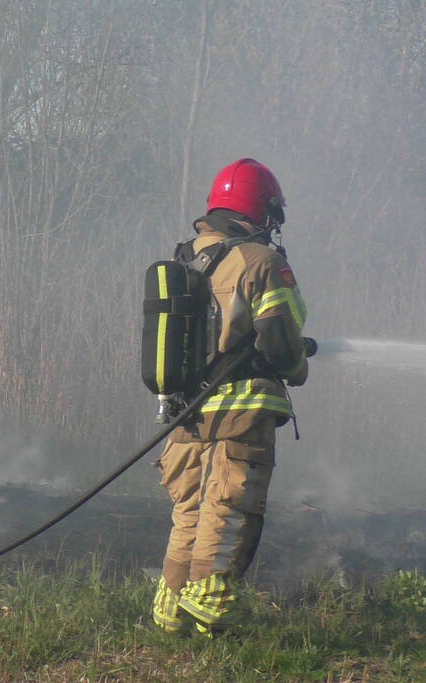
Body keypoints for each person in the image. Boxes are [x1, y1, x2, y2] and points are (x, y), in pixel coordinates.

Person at [151, 158, 309, 636]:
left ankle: (172, 607)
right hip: (242, 410)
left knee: (191, 509)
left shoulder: (186, 258)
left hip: (186, 411)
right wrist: (299, 366)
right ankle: (211, 609)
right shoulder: (261, 263)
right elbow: (280, 345)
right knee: (230, 507)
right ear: (260, 209)